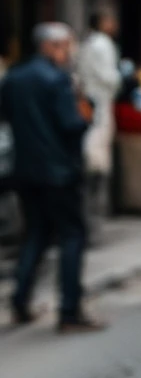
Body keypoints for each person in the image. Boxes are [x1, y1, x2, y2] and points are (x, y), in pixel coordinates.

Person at [0, 23, 105, 333]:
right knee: (72, 235)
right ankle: (69, 310)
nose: (67, 52)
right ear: (48, 46)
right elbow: (71, 125)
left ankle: (20, 301)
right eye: (63, 46)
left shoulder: (14, 79)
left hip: (25, 170)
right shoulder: (57, 80)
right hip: (59, 172)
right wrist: (88, 114)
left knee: (36, 233)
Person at [77, 10, 122, 220]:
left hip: (90, 102)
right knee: (97, 159)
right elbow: (109, 77)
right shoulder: (102, 43)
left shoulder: (87, 42)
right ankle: (96, 213)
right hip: (100, 102)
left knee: (91, 151)